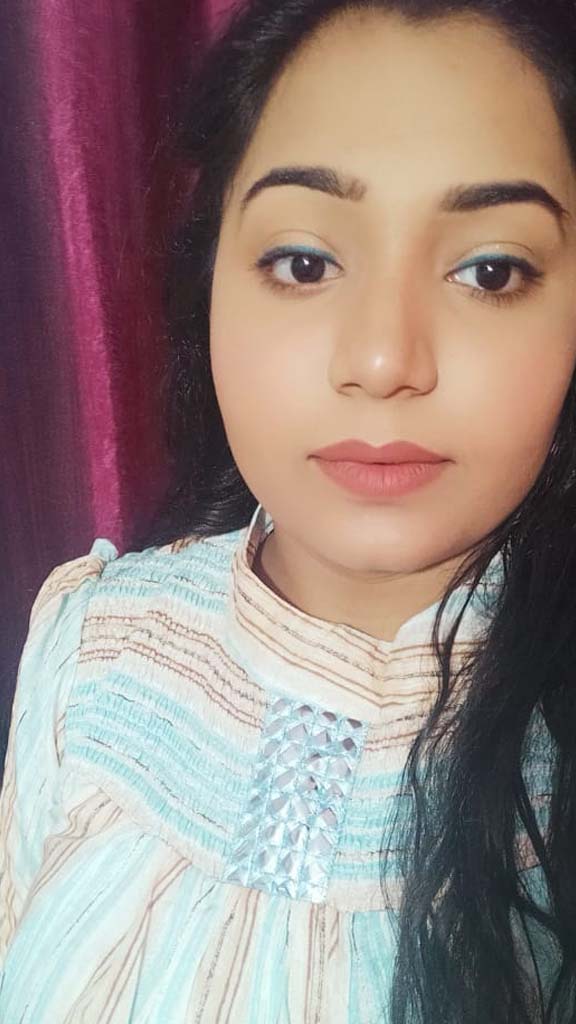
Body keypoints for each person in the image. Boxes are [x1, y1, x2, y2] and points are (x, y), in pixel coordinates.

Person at [1, 0, 576, 1019]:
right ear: (212, 281)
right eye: (305, 263)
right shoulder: (89, 646)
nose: (383, 360)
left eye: (489, 270)